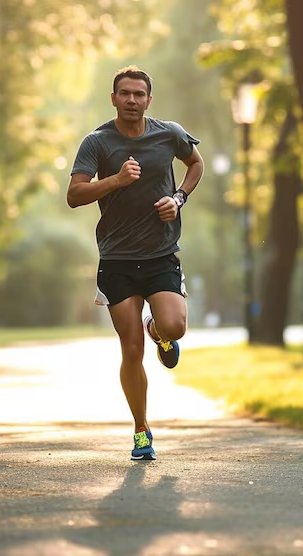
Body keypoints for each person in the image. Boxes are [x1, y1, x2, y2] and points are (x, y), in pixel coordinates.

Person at [66, 66, 204, 461]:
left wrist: (178, 199)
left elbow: (196, 164)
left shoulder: (169, 134)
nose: (131, 100)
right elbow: (75, 195)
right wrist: (116, 181)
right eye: (124, 94)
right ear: (113, 99)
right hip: (117, 259)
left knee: (175, 325)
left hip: (161, 254)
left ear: (148, 99)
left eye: (138, 94)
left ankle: (158, 331)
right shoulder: (97, 142)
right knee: (130, 351)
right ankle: (141, 429)